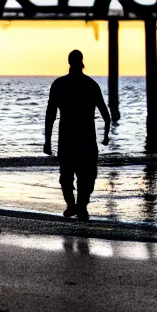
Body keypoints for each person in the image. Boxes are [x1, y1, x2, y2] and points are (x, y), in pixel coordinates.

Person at [44, 50, 111, 221]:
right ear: (82, 62)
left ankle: (74, 205)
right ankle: (80, 206)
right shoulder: (90, 85)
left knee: (66, 176)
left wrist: (48, 141)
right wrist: (106, 135)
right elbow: (105, 114)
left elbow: (50, 114)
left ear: (69, 61)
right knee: (86, 177)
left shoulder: (59, 84)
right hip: (86, 139)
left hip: (67, 139)